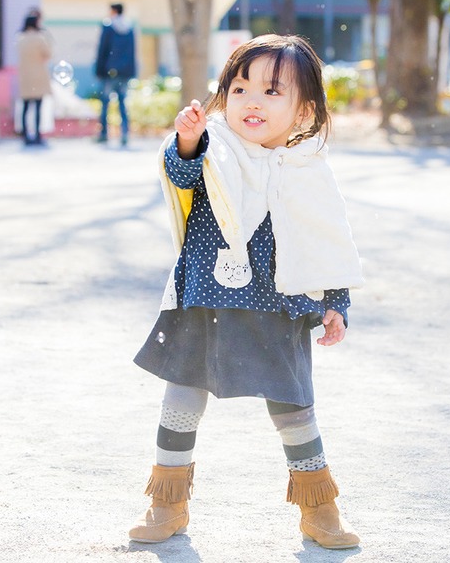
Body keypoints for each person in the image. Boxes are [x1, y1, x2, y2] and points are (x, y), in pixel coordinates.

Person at [128, 34, 365, 550]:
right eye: (239, 88)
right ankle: (167, 502)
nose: (251, 101)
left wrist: (335, 303)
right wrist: (188, 140)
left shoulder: (307, 172)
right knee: (183, 397)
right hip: (208, 298)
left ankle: (318, 507)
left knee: (294, 407)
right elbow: (182, 171)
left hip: (279, 305)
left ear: (304, 110)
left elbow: (326, 241)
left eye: (272, 91)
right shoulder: (216, 150)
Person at [94, 2, 137, 146]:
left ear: (113, 11)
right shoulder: (130, 28)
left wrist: (99, 69)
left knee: (105, 103)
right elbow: (132, 52)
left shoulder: (108, 27)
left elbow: (103, 50)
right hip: (125, 72)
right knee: (122, 103)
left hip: (109, 71)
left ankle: (104, 133)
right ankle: (125, 133)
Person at [17, 9, 52, 146]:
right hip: (38, 76)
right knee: (38, 107)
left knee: (25, 107)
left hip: (25, 76)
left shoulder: (20, 38)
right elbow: (48, 54)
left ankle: (25, 135)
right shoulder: (40, 38)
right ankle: (37, 135)